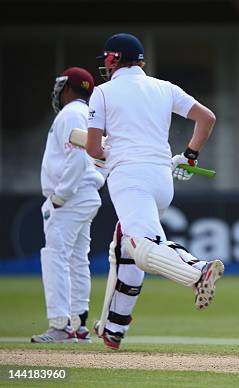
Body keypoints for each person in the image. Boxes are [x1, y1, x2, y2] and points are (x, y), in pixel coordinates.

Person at [86, 32, 224, 350]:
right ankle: (113, 327)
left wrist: (111, 150)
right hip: (163, 179)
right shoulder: (164, 88)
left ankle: (197, 270)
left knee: (140, 243)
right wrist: (189, 155)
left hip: (129, 178)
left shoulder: (102, 94)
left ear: (114, 59)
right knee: (123, 246)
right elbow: (207, 118)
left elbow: (93, 148)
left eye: (107, 58)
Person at [32, 67, 105, 344]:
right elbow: (100, 159)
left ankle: (61, 326)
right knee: (76, 259)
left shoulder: (71, 114)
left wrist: (60, 196)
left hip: (71, 198)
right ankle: (78, 323)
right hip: (85, 194)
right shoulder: (88, 114)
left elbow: (75, 159)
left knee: (55, 257)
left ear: (69, 87)